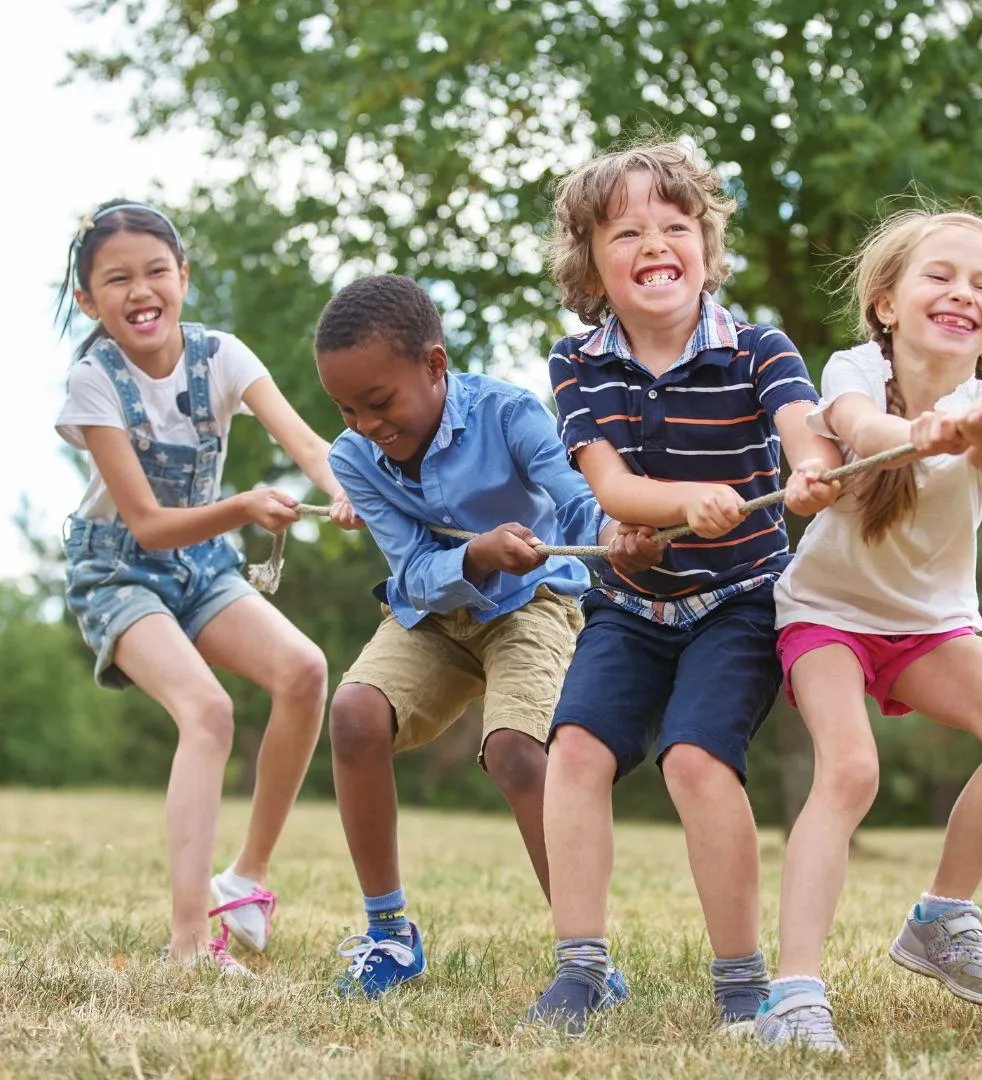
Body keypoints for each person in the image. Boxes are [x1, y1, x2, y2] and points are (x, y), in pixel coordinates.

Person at [526, 140, 841, 1035]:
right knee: (576, 753)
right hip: (629, 607)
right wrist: (684, 501)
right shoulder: (578, 360)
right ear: (590, 262)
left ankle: (741, 982)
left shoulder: (757, 346)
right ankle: (580, 968)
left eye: (674, 225)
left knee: (697, 762)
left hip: (739, 600)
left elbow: (802, 427)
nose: (654, 243)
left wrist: (815, 467)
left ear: (705, 244)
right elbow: (612, 486)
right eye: (626, 232)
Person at [758, 208, 982, 1053]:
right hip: (826, 616)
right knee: (851, 769)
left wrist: (977, 430)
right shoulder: (854, 367)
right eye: (941, 275)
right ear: (888, 301)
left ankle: (941, 917)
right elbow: (860, 428)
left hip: (929, 628)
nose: (963, 293)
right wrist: (913, 434)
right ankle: (791, 996)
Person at [313, 273, 656, 999]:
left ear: (435, 366)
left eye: (380, 402)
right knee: (353, 714)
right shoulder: (352, 459)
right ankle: (389, 934)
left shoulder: (510, 413)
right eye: (346, 408)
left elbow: (576, 498)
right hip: (435, 615)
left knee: (517, 752)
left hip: (533, 604)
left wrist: (616, 535)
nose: (367, 423)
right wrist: (475, 554)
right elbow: (409, 572)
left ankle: (585, 960)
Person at [55, 199, 358, 974]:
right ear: (89, 300)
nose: (140, 289)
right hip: (119, 567)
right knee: (209, 711)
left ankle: (245, 881)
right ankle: (189, 941)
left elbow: (307, 442)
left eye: (156, 270)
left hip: (202, 565)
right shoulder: (93, 384)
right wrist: (246, 504)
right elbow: (150, 523)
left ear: (183, 278)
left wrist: (345, 487)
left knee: (304, 670)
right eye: (116, 279)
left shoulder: (222, 356)